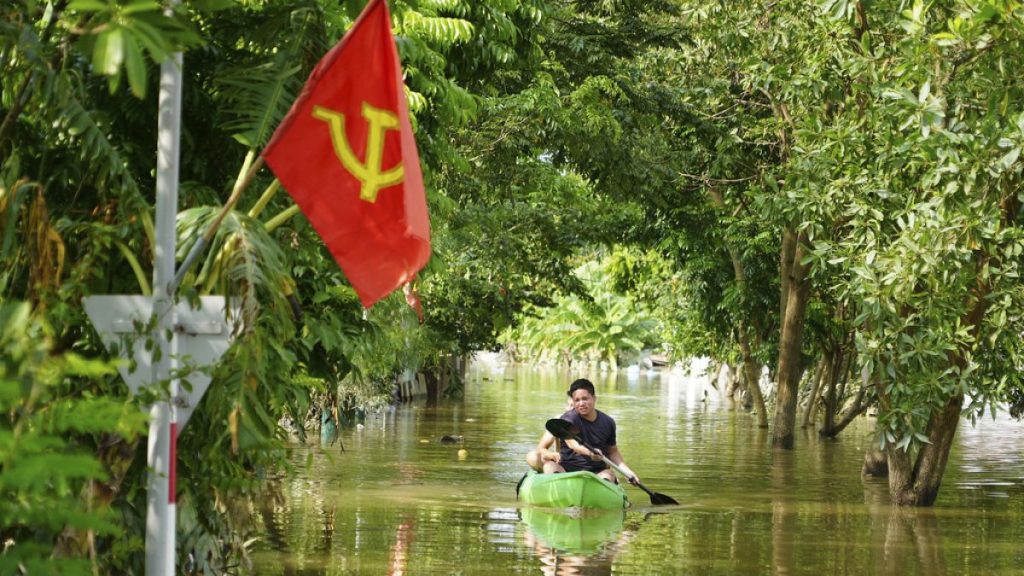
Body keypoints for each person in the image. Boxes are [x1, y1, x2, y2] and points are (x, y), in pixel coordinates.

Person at [544, 378, 639, 486]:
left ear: (594, 398)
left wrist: (627, 472)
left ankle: (602, 488)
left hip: (597, 472)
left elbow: (613, 452)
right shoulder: (568, 418)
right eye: (577, 400)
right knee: (549, 466)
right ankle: (558, 487)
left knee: (608, 474)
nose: (581, 403)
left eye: (585, 399)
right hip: (567, 470)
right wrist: (590, 453)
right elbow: (574, 445)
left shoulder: (608, 422)